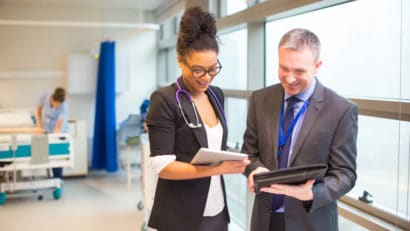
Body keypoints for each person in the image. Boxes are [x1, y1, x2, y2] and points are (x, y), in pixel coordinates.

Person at [242, 28, 358, 231]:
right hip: (265, 220)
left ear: (317, 66)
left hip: (310, 220)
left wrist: (313, 193)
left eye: (299, 71)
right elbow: (249, 153)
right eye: (283, 68)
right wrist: (254, 169)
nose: (289, 78)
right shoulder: (260, 99)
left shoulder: (341, 110)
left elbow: (345, 173)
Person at [146, 6, 250, 231]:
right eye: (198, 70)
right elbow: (163, 166)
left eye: (213, 69)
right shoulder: (164, 100)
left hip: (217, 210)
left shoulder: (217, 95)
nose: (207, 78)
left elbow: (213, 144)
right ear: (180, 61)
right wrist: (219, 168)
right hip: (181, 216)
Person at [36, 87, 68, 178]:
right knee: (43, 156)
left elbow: (58, 126)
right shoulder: (44, 96)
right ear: (52, 99)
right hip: (45, 129)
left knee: (56, 158)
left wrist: (54, 137)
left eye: (59, 106)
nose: (57, 107)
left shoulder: (64, 106)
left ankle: (58, 180)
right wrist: (39, 127)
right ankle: (48, 178)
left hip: (59, 132)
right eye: (56, 105)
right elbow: (38, 111)